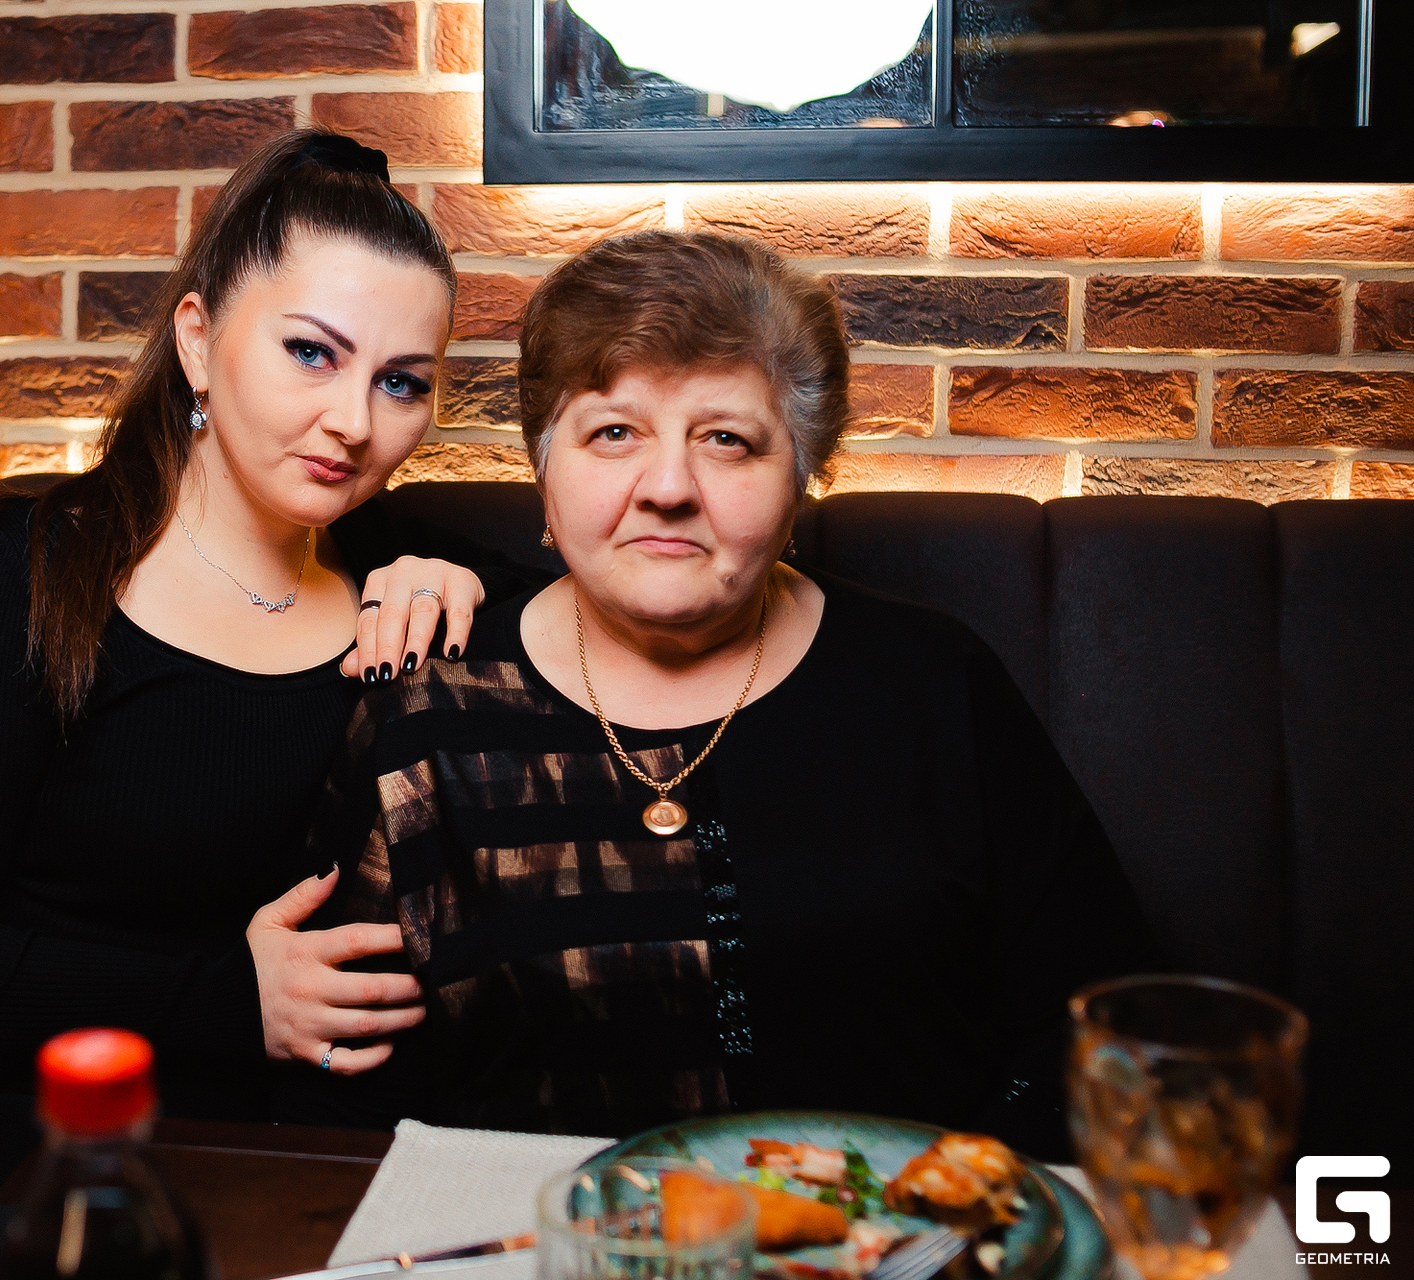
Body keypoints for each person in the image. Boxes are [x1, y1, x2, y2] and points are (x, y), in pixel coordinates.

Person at [0, 130, 541, 1278]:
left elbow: (597, 612)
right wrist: (227, 995)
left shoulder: (396, 565)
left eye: (401, 381)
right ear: (197, 340)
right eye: (310, 353)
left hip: (242, 1138)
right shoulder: (33, 583)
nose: (354, 420)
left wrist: (465, 579)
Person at [278, 230, 1158, 1154]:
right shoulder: (431, 705)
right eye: (614, 433)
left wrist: (957, 1197)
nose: (668, 487)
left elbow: (1101, 1024)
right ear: (543, 467)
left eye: (727, 440)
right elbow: (338, 1083)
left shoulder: (935, 681)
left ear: (802, 475)